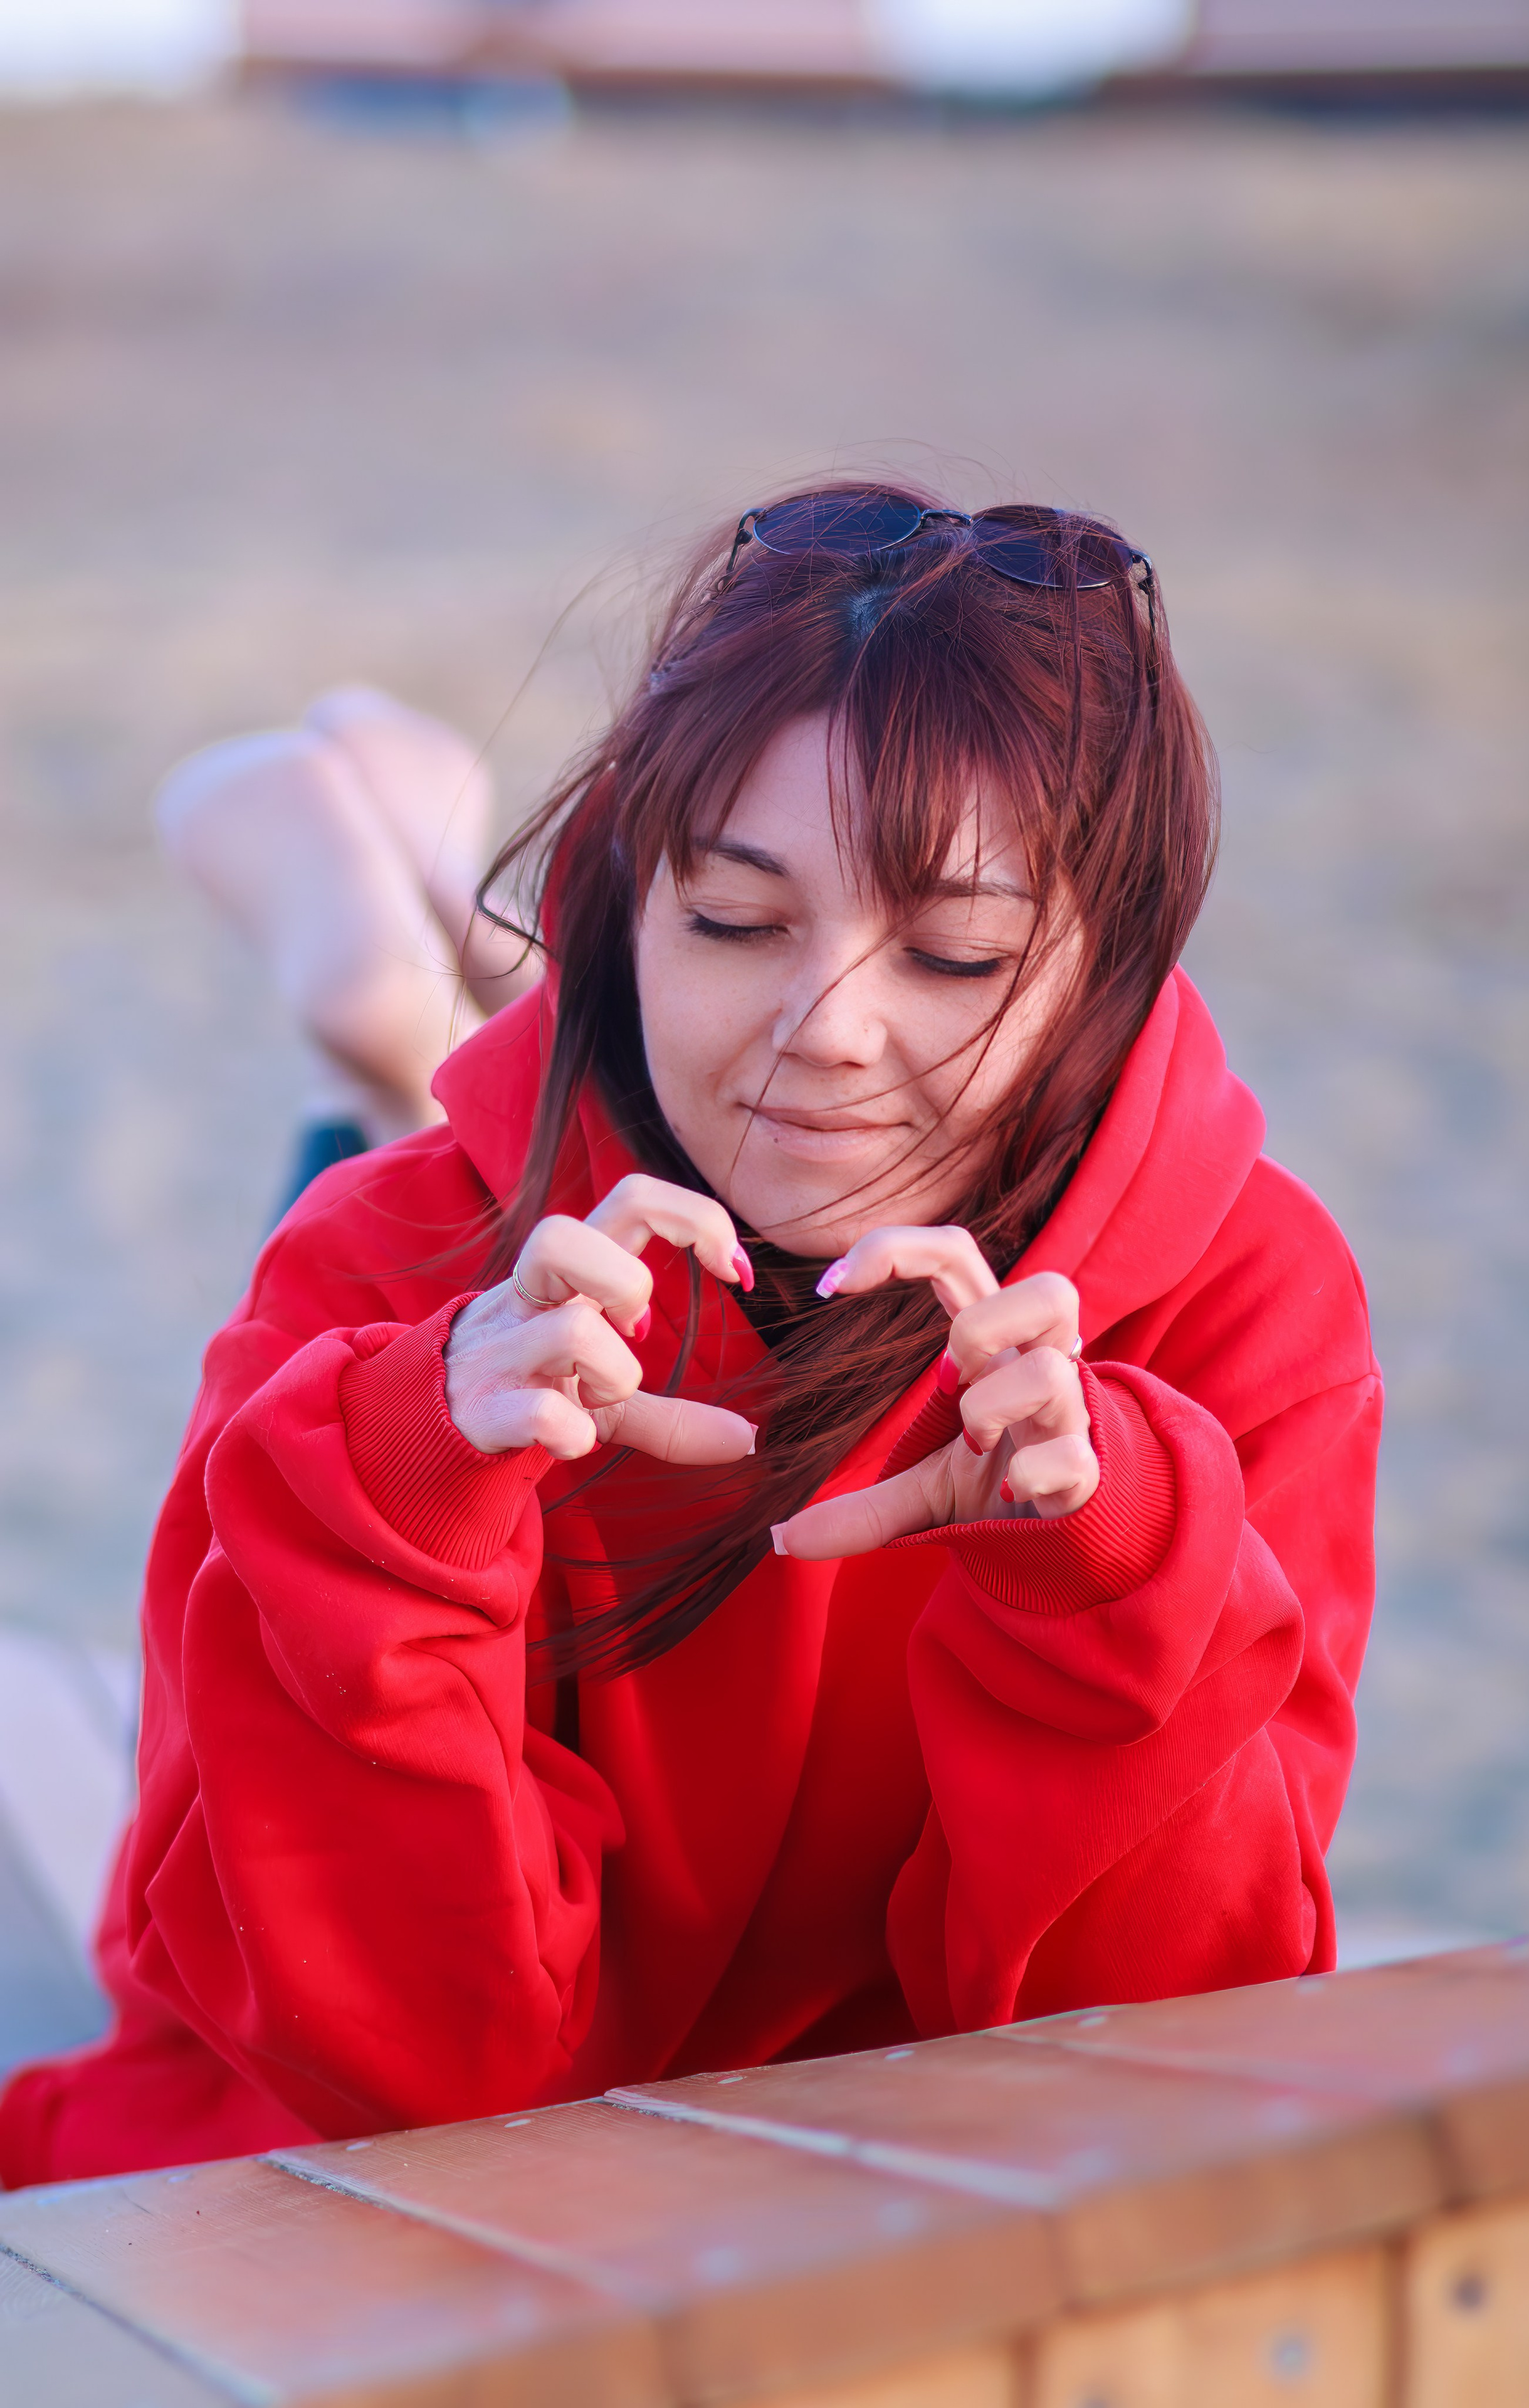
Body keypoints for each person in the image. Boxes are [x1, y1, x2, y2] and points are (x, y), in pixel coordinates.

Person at [0, 485, 1381, 2188]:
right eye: (734, 919)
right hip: (394, 2172)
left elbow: (1174, 2073)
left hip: (864, 2233)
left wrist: (1115, 1588)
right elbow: (396, 2075)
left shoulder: (1240, 1304)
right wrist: (397, 1512)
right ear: (627, 896)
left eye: (955, 954)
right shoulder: (379, 1265)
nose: (831, 1030)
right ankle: (373, 1008)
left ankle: (389, 983)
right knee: (418, 1222)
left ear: (1105, 973)